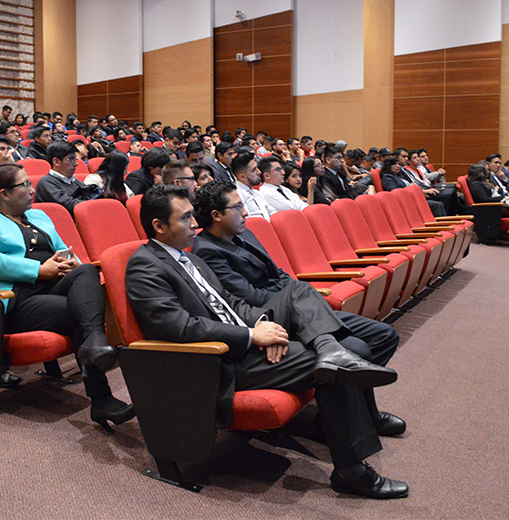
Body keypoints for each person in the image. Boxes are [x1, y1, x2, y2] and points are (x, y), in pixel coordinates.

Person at [126, 185, 407, 499]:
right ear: (159, 226)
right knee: (348, 353)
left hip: (244, 343)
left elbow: (231, 302)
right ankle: (351, 472)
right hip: (218, 362)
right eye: (186, 218)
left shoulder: (188, 257)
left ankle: (328, 350)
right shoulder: (144, 265)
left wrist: (264, 324)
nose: (195, 224)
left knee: (302, 294)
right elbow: (177, 326)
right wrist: (250, 335)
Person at [0, 164, 134, 426]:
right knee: (83, 314)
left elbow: (65, 250)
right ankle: (101, 398)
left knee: (86, 269)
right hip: (12, 298)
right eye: (25, 186)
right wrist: (38, 270)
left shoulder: (39, 216)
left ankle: (95, 341)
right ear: (4, 194)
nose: (33, 190)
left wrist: (71, 262)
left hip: (51, 284)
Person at [33, 141, 101, 215]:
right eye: (70, 159)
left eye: (75, 159)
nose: (76, 164)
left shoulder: (76, 182)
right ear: (56, 162)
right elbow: (69, 205)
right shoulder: (45, 184)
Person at [232, 152, 276, 220]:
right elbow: (245, 221)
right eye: (254, 170)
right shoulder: (236, 195)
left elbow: (272, 212)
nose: (259, 172)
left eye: (257, 168)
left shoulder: (257, 193)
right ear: (242, 177)